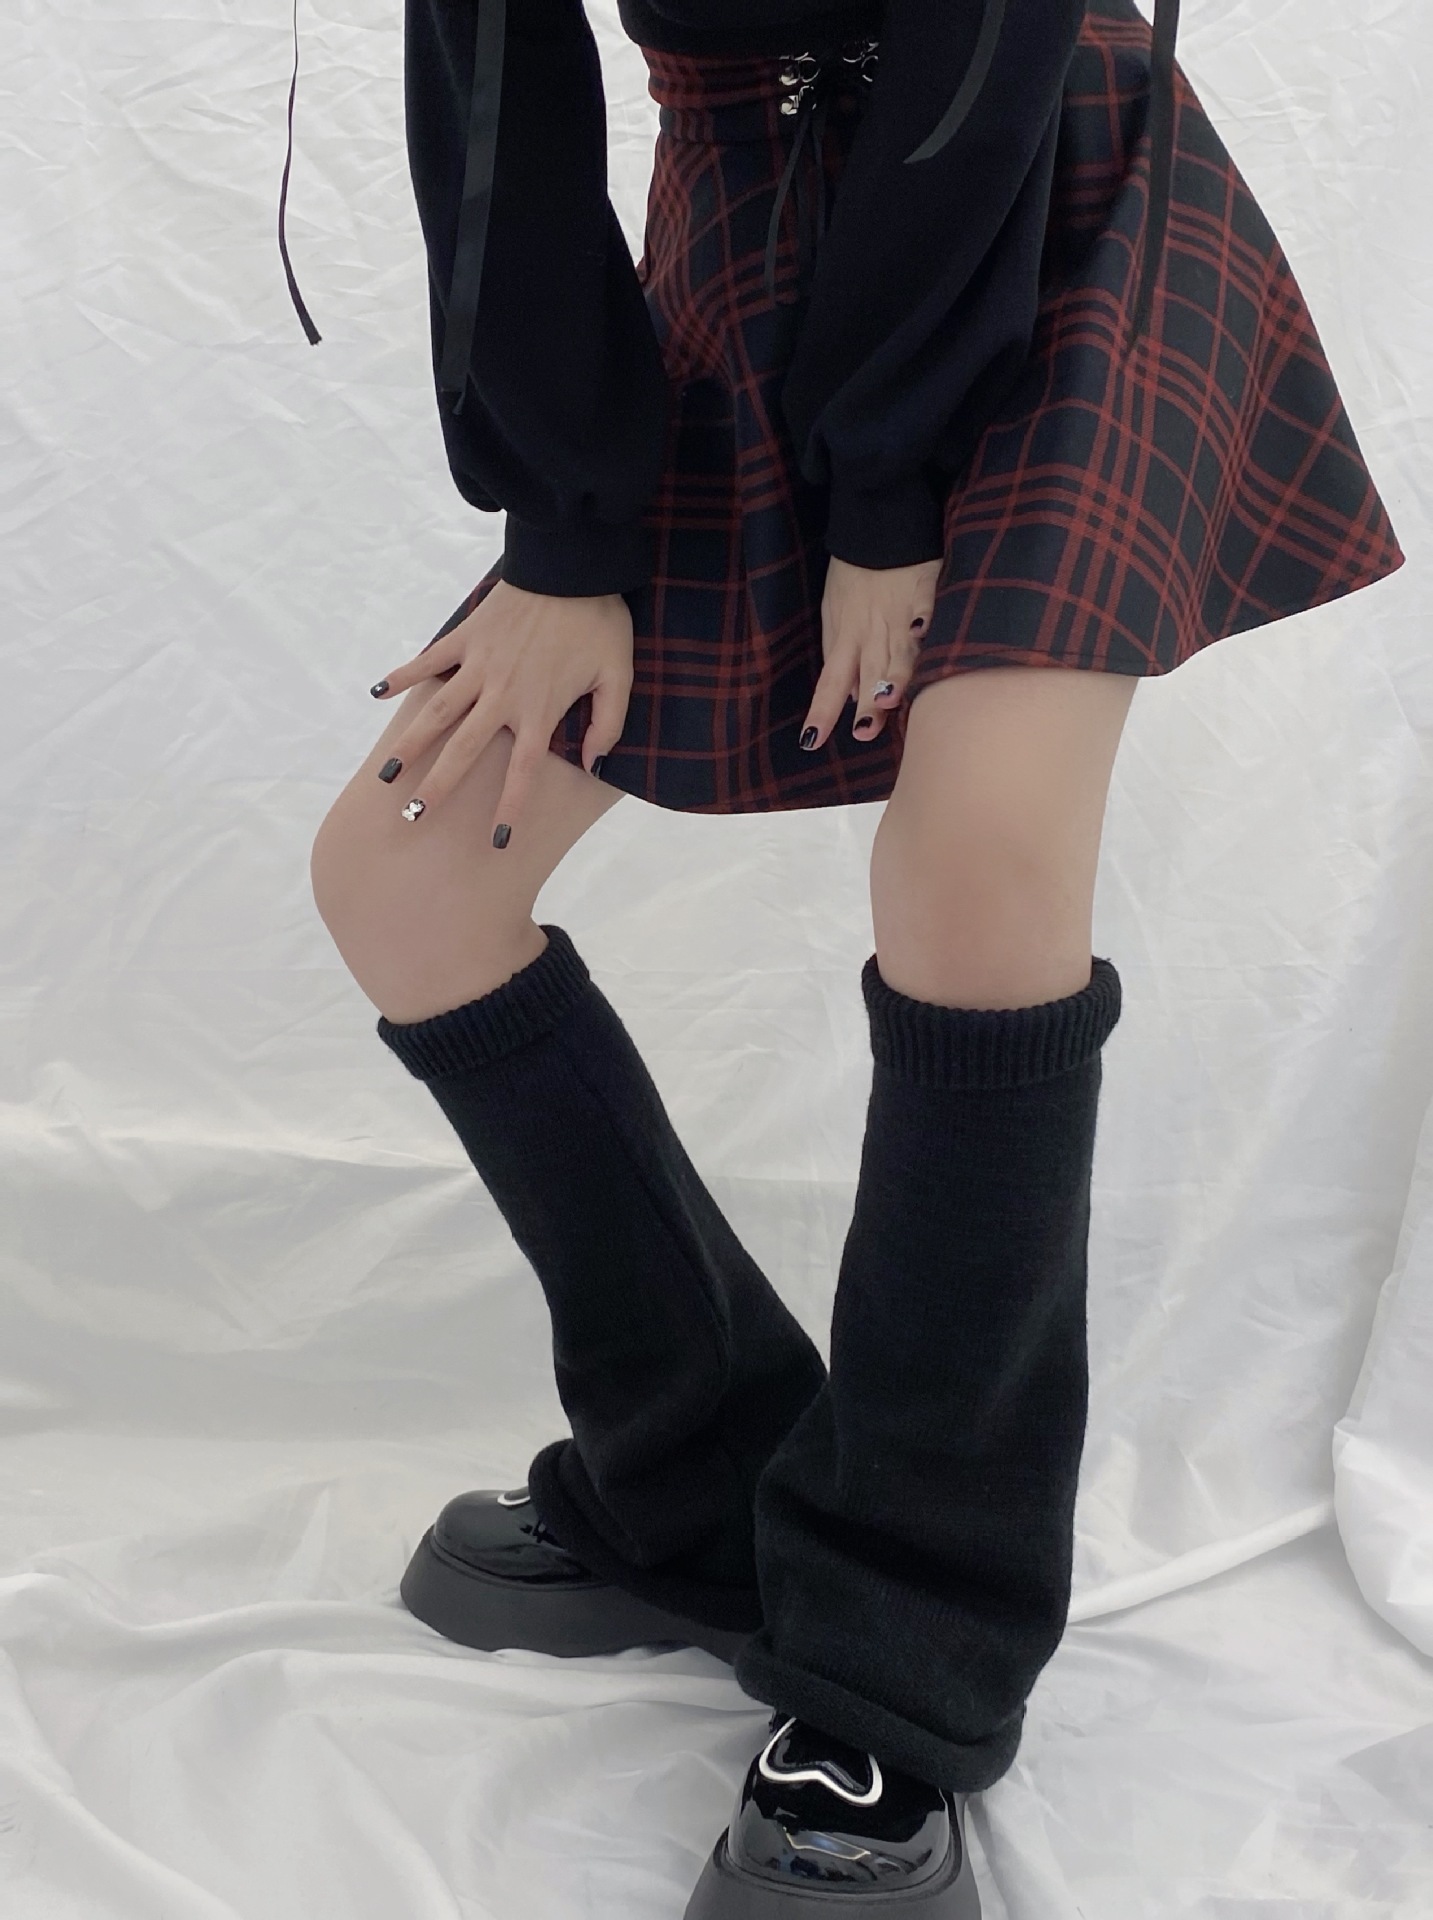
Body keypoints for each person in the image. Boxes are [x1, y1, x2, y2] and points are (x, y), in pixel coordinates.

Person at [302, 2, 1404, 1912]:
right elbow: (490, 87)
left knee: (978, 859)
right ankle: (700, 1483)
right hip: (751, 218)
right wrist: (567, 532)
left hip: (1035, 193)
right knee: (402, 882)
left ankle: (901, 1650)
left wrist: (884, 485)